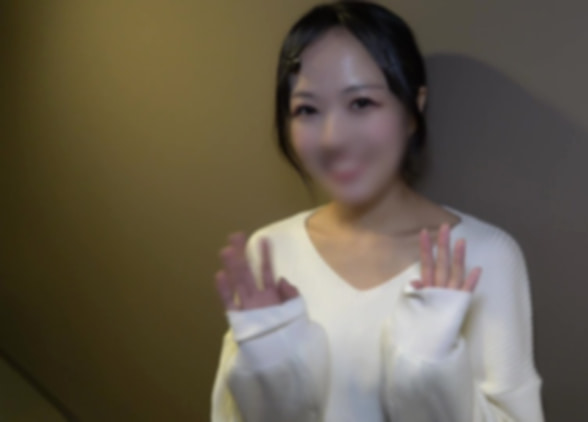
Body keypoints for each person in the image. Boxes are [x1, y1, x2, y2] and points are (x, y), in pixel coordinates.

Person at [210, 1, 544, 421]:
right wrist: (271, 377)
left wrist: (428, 369)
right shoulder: (269, 253)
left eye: (361, 103)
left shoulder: (484, 255)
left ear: (414, 109)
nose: (332, 138)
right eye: (307, 110)